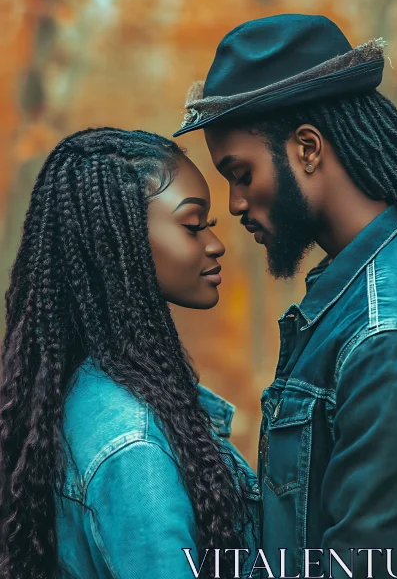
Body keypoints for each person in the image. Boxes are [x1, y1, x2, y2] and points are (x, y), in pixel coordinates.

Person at [174, 13, 397, 579]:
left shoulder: (388, 334)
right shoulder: (345, 302)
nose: (235, 203)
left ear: (306, 149)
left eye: (241, 174)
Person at [0, 128, 259, 579]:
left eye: (210, 225)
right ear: (117, 239)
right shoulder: (133, 449)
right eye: (193, 225)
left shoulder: (88, 390)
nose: (215, 244)